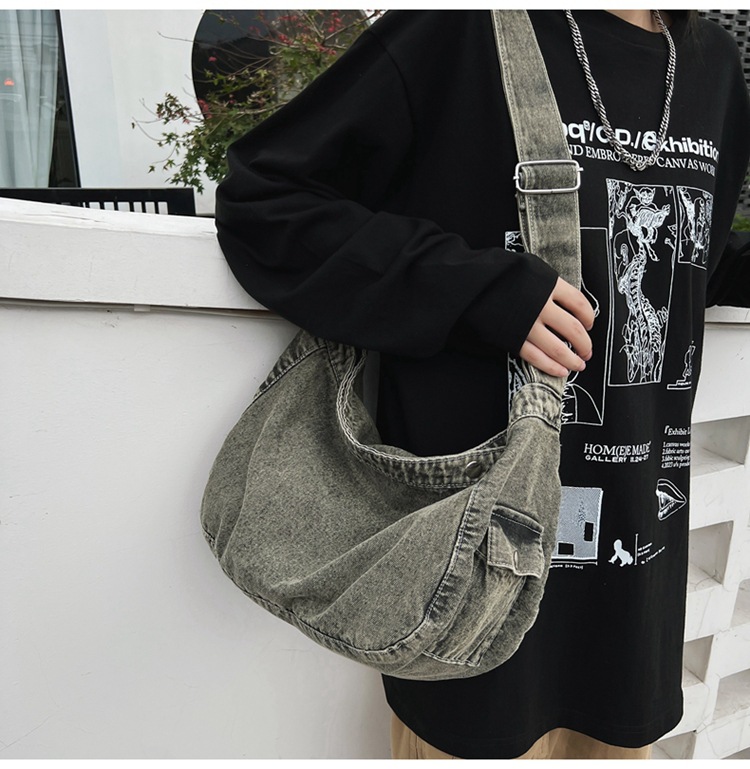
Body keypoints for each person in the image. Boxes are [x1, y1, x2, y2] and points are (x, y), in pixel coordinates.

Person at [214, 10, 750, 760]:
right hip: (473, 567)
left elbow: (688, 262)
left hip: (634, 586)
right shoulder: (460, 27)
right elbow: (265, 200)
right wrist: (480, 293)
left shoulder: (711, 63)